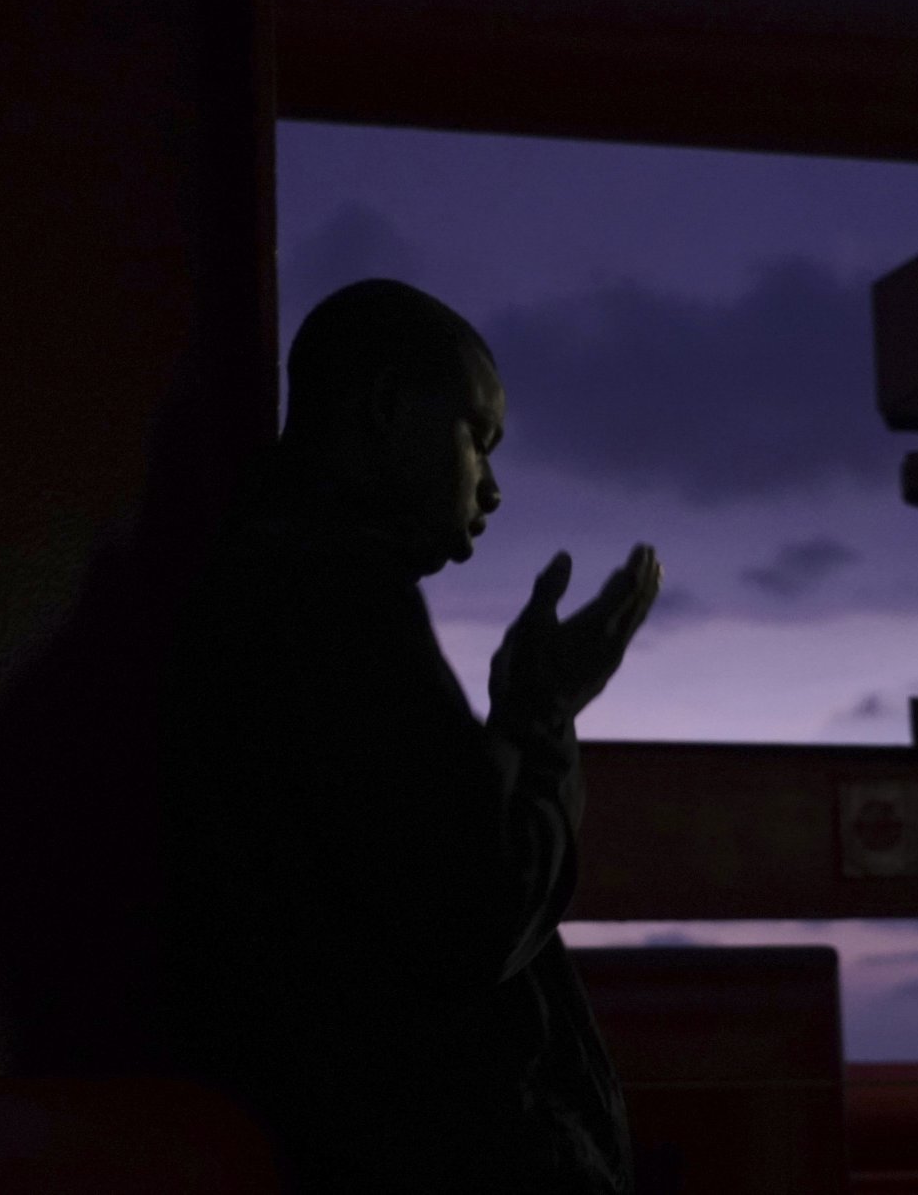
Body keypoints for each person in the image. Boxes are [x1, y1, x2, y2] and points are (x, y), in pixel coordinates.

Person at [156, 278, 661, 1194]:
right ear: (388, 408)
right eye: (481, 437)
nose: (495, 488)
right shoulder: (332, 605)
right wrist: (542, 716)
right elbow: (471, 917)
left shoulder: (252, 585)